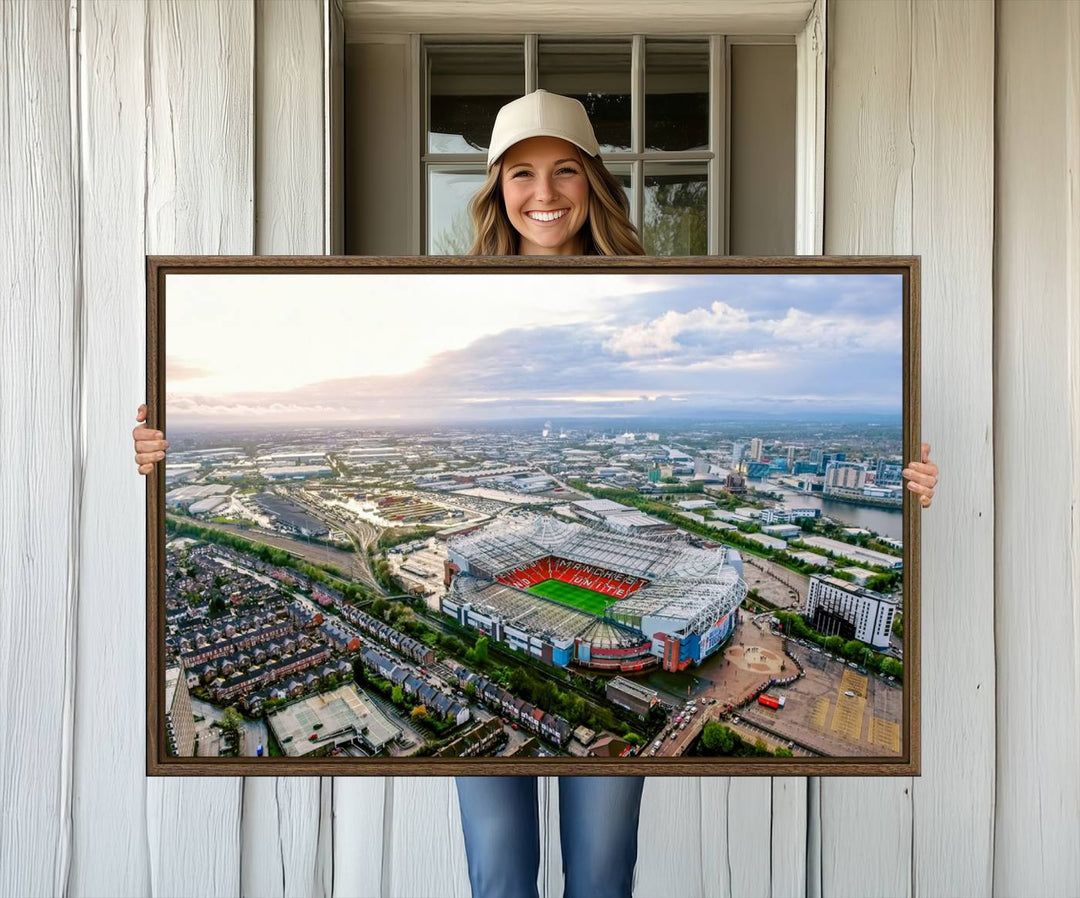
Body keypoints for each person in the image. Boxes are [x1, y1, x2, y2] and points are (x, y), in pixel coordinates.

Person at [131, 90, 940, 898]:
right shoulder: (446, 301)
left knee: (600, 870)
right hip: (511, 639)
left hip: (587, 637)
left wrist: (900, 485)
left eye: (564, 171)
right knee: (499, 870)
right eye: (522, 173)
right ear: (496, 189)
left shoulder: (657, 290)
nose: (544, 194)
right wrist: (159, 447)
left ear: (593, 182)